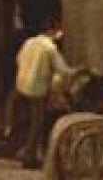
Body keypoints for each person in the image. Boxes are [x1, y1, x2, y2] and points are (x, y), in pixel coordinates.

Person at [14, 17, 75, 168]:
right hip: (37, 88)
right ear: (52, 31)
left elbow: (18, 59)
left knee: (28, 121)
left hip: (21, 86)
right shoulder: (49, 47)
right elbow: (62, 69)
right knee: (37, 122)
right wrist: (76, 71)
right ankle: (30, 156)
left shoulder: (29, 42)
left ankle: (27, 151)